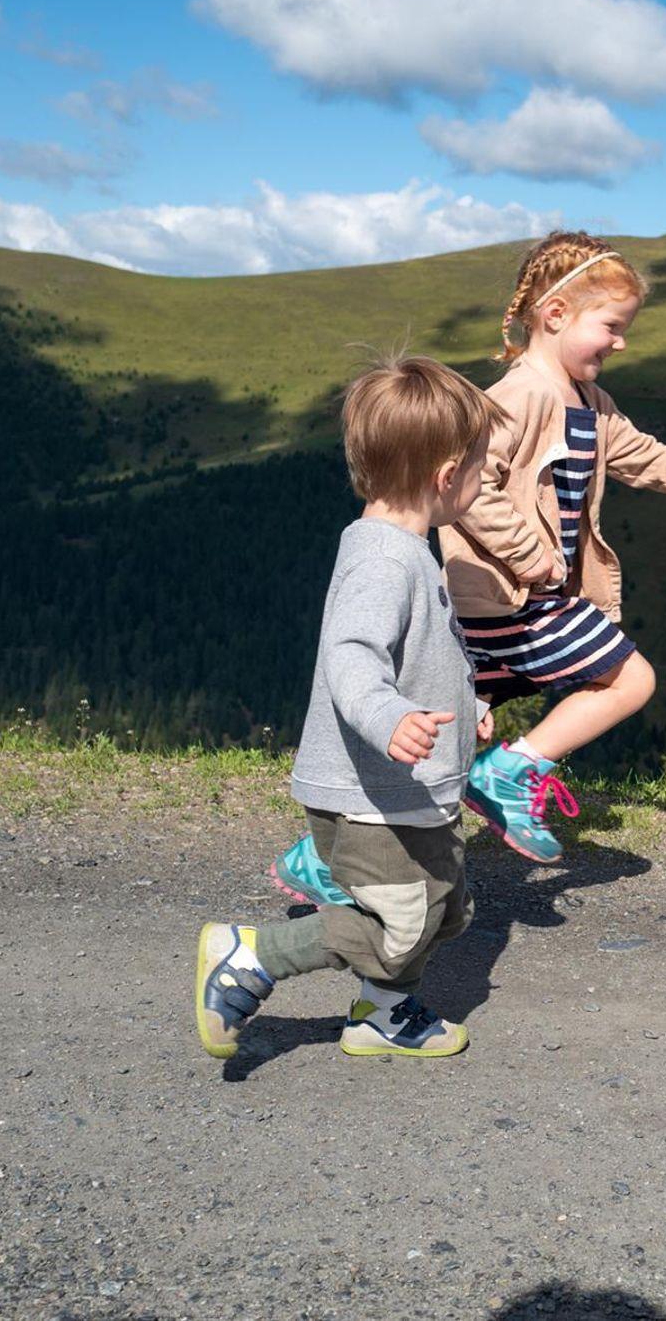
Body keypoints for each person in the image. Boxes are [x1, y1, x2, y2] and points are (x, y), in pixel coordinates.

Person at [267, 231, 666, 905]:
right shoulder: (518, 397)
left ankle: (325, 856)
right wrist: (531, 555)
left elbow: (640, 454)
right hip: (513, 597)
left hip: (508, 602)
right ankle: (511, 773)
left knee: (441, 731)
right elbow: (469, 486)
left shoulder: (590, 403)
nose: (619, 343)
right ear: (555, 315)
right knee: (629, 679)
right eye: (611, 326)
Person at [196, 355, 506, 1061]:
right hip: (373, 796)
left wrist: (466, 703)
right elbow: (353, 657)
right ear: (445, 475)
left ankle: (383, 1017)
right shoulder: (384, 561)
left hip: (406, 790)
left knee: (441, 907)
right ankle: (253, 955)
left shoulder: (403, 548)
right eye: (482, 466)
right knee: (399, 922)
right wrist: (390, 719)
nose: (486, 478)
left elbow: (420, 651)